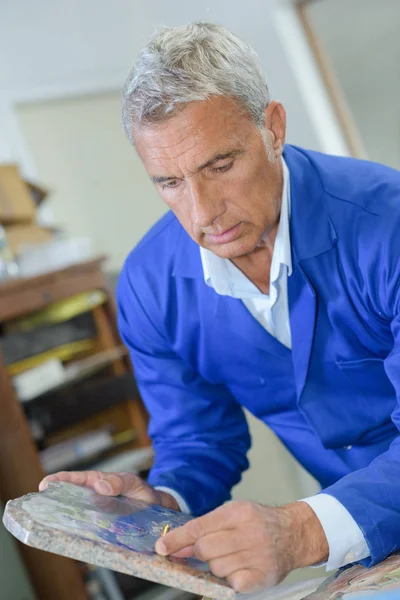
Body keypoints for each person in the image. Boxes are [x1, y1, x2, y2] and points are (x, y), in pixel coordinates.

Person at [40, 22, 400, 593]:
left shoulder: (389, 225)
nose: (203, 211)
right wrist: (162, 502)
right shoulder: (150, 286)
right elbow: (198, 440)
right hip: (367, 550)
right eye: (169, 182)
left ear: (273, 128)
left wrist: (301, 531)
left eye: (220, 165)